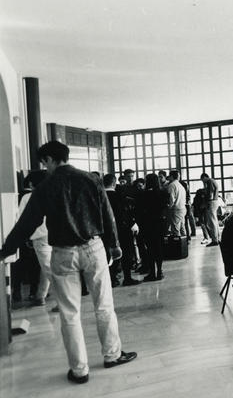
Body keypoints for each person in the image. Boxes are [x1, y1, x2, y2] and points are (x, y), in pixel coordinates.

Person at [0, 141, 137, 384]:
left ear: (50, 159)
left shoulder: (45, 187)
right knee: (104, 305)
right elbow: (107, 215)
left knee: (69, 313)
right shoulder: (91, 179)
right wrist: (114, 244)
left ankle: (79, 370)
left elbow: (26, 224)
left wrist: (5, 251)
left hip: (63, 253)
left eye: (44, 162)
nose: (45, 167)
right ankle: (112, 355)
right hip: (93, 247)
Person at [16, 170, 56, 308]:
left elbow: (22, 219)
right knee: (47, 267)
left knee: (47, 268)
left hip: (40, 236)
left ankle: (63, 300)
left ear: (32, 184)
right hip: (55, 234)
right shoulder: (53, 194)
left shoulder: (27, 197)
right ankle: (41, 296)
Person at [103, 174, 141, 287]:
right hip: (122, 229)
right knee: (126, 253)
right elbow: (123, 213)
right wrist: (132, 224)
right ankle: (127, 278)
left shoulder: (99, 197)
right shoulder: (118, 196)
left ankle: (112, 278)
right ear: (114, 183)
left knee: (109, 254)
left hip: (105, 230)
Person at [137, 173, 168, 282]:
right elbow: (165, 207)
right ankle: (159, 271)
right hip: (160, 223)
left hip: (148, 224)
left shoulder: (143, 194)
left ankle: (152, 272)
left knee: (150, 249)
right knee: (159, 248)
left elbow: (140, 211)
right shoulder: (163, 193)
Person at [200, 173, 221, 246]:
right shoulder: (213, 181)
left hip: (211, 202)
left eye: (202, 180)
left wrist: (206, 203)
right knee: (215, 221)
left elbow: (210, 194)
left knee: (212, 222)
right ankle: (218, 238)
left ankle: (215, 240)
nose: (203, 182)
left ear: (205, 177)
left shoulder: (209, 181)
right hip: (215, 201)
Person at [166, 171, 187, 237]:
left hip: (176, 210)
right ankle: (184, 242)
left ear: (171, 176)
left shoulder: (172, 185)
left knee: (175, 229)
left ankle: (177, 243)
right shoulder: (180, 185)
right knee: (182, 228)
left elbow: (171, 199)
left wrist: (169, 208)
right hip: (182, 208)